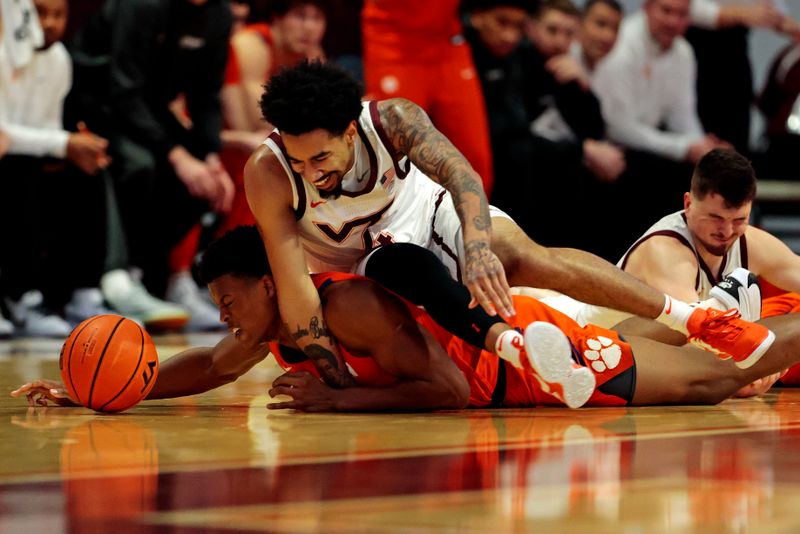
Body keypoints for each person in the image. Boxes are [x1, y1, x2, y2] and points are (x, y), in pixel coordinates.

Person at [243, 60, 774, 389]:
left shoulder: (393, 120)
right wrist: (333, 379)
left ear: (351, 129)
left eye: (321, 158)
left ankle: (697, 319)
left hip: (428, 210)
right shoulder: (268, 173)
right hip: (366, 266)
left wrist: (476, 248)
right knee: (405, 293)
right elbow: (294, 285)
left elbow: (462, 176)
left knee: (519, 256)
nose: (310, 172)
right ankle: (525, 352)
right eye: (299, 162)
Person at [13, 225, 800, 412]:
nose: (222, 316)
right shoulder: (272, 325)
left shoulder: (343, 304)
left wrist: (337, 399)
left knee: (725, 377)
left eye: (228, 298)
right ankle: (701, 316)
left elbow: (450, 387)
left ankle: (736, 321)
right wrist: (102, 392)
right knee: (698, 361)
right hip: (516, 341)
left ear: (267, 282)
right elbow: (210, 366)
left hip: (515, 361)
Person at [66, 0, 235, 321]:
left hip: (144, 106)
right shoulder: (142, 4)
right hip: (92, 100)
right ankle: (110, 277)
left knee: (207, 185)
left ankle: (140, 275)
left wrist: (209, 157)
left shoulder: (219, 15)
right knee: (138, 163)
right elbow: (122, 86)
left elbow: (207, 96)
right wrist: (178, 155)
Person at [0, 0, 116, 336]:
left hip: (32, 156)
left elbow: (47, 128)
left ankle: (81, 294)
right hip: (10, 164)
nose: (49, 23)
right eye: (39, 13)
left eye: (58, 14)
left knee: (88, 171)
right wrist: (62, 144)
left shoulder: (59, 59)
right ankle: (23, 296)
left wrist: (74, 148)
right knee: (19, 175)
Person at [361, 0, 494, 195]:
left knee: (475, 162)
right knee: (392, 160)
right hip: (393, 37)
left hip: (445, 38)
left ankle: (472, 223)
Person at [686, 0, 800, 155]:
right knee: (694, 139)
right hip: (696, 49)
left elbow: (774, 11)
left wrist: (788, 24)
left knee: (733, 145)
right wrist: (736, 13)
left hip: (734, 56)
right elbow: (678, 8)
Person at [572, 0, 623, 77]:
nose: (608, 37)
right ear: (579, 23)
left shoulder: (611, 71)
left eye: (616, 28)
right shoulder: (562, 62)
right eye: (601, 24)